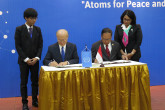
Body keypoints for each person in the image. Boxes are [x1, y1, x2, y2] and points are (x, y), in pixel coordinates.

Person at [15, 8, 43, 110]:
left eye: (35, 18)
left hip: (35, 61)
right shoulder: (19, 29)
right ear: (26, 18)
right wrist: (26, 59)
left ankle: (35, 100)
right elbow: (18, 46)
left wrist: (36, 58)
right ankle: (25, 103)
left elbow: (40, 45)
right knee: (24, 83)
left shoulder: (38, 29)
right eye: (32, 18)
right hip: (23, 62)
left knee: (35, 82)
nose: (34, 20)